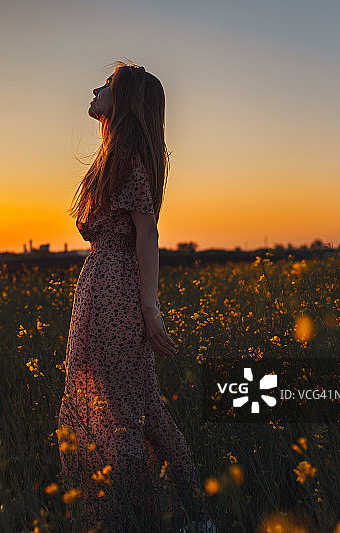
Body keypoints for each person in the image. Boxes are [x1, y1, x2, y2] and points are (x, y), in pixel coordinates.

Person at [56, 62, 218, 533]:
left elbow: (148, 234)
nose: (94, 89)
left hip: (115, 296)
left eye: (105, 85)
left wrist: (150, 309)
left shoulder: (127, 161)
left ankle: (159, 515)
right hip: (103, 291)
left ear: (123, 101)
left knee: (130, 407)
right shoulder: (117, 156)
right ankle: (175, 514)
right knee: (131, 405)